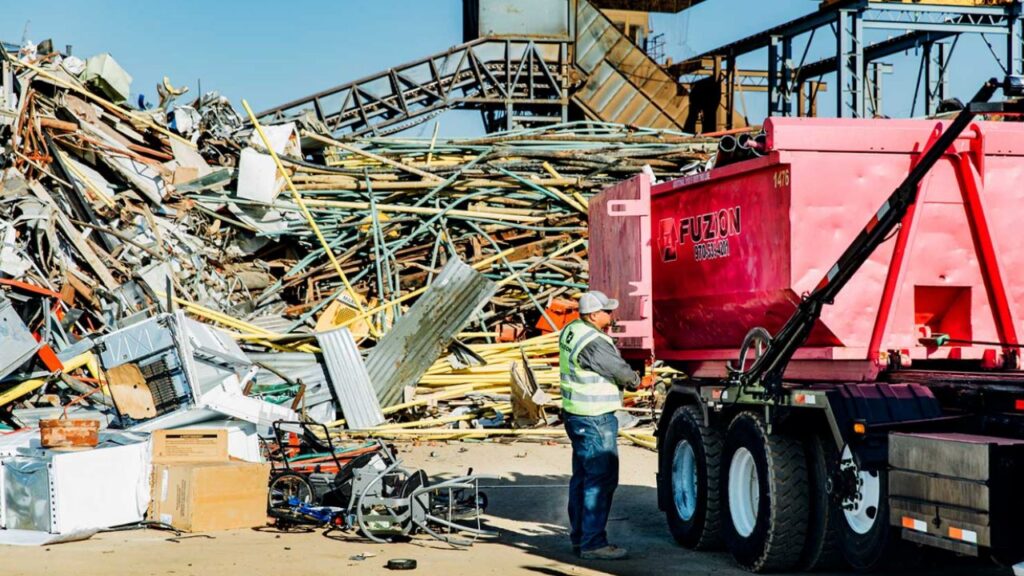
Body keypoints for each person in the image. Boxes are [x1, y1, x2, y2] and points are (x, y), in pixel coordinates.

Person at [559, 290, 646, 561]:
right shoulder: (592, 342)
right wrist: (636, 380)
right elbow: (619, 372)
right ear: (593, 315)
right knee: (600, 480)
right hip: (594, 417)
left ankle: (580, 537)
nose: (611, 314)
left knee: (583, 478)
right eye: (607, 311)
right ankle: (593, 543)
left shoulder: (572, 330)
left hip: (577, 415)